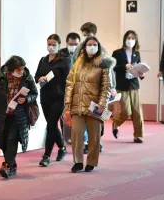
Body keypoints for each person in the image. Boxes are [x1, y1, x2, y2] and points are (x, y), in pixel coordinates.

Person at [63, 36, 114, 173]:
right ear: (84, 47)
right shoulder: (78, 63)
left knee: (94, 136)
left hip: (95, 106)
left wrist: (102, 103)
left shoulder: (103, 64)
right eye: (89, 44)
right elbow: (69, 84)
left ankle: (91, 161)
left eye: (94, 44)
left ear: (98, 47)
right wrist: (68, 104)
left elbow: (106, 87)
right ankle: (78, 161)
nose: (91, 47)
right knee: (76, 133)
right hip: (77, 105)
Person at [0, 55, 38, 179]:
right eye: (18, 70)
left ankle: (7, 165)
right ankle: (12, 164)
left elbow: (34, 93)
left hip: (19, 114)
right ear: (11, 69)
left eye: (22, 69)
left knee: (12, 138)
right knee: (1, 140)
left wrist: (27, 99)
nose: (21, 72)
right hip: (1, 113)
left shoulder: (27, 77)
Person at [72, 22, 116, 154]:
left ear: (94, 34)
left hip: (97, 89)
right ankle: (86, 142)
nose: (86, 38)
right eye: (84, 35)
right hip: (82, 88)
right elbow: (73, 68)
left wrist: (112, 87)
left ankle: (98, 141)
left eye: (88, 35)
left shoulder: (101, 49)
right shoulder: (79, 49)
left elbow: (108, 69)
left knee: (96, 117)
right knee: (83, 116)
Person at [35, 34, 71, 167]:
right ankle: (62, 148)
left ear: (59, 45)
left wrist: (68, 100)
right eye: (49, 44)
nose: (51, 47)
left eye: (54, 44)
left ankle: (46, 156)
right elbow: (36, 76)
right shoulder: (43, 60)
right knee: (52, 125)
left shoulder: (64, 61)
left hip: (59, 98)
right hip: (45, 97)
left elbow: (69, 81)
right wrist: (40, 78)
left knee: (50, 126)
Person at [112, 30, 145, 143]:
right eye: (128, 38)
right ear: (125, 39)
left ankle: (138, 135)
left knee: (137, 111)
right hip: (122, 84)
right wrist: (124, 66)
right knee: (126, 111)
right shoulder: (117, 53)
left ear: (135, 40)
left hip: (134, 84)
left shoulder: (137, 53)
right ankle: (116, 123)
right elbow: (113, 68)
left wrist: (141, 73)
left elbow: (139, 66)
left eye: (132, 38)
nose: (130, 40)